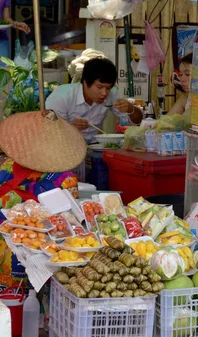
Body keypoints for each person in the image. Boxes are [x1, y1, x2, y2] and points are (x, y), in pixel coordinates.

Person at [0, 110, 86, 291]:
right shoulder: (66, 179)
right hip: (39, 255)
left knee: (9, 306)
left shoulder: (8, 165)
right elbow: (68, 224)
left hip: (5, 248)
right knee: (33, 304)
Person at [45, 57, 143, 143]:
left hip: (94, 147)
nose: (104, 93)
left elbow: (137, 121)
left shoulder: (111, 94)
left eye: (108, 88)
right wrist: (70, 127)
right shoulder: (61, 97)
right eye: (99, 87)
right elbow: (49, 131)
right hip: (66, 149)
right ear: (86, 83)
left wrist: (131, 109)